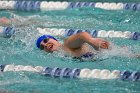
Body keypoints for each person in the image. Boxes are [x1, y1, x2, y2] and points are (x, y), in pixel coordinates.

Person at [36, 32, 110, 59]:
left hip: (107, 52)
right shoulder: (61, 54)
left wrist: (92, 41)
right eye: (42, 47)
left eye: (46, 40)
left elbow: (81, 36)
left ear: (54, 39)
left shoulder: (66, 45)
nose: (45, 45)